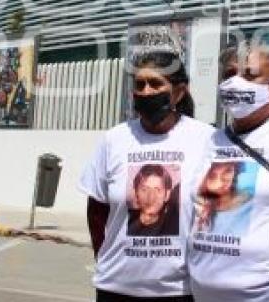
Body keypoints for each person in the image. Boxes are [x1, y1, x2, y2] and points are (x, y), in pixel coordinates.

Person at [79, 50, 214, 301]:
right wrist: (108, 260)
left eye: (155, 83)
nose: (146, 91)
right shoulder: (114, 140)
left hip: (180, 291)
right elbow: (97, 211)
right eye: (140, 84)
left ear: (179, 92)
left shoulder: (206, 139)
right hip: (116, 288)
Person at [189, 43, 269, 302]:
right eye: (229, 74)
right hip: (202, 292)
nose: (236, 83)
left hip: (264, 294)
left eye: (250, 75)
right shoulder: (212, 139)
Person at [127, 163, 179, 236]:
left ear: (167, 195)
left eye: (157, 190)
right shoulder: (125, 220)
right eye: (144, 189)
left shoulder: (173, 228)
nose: (151, 197)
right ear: (135, 192)